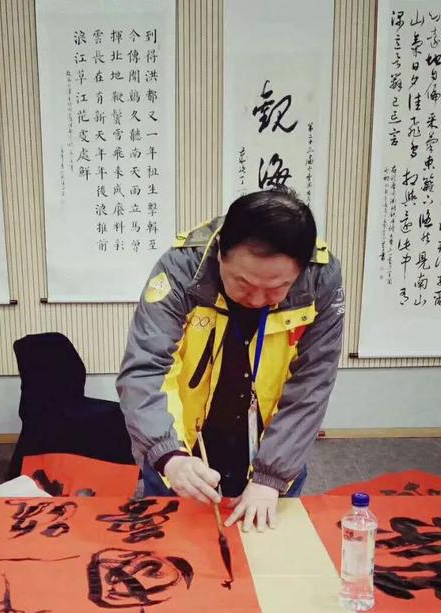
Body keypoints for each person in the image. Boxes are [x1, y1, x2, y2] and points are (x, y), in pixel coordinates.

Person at [116, 188, 344, 532]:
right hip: (182, 450)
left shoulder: (320, 278)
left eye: (276, 288)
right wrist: (167, 454)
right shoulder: (182, 270)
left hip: (272, 449)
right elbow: (145, 368)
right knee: (172, 548)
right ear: (220, 251)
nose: (257, 299)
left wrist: (271, 477)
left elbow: (312, 382)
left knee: (268, 557)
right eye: (244, 283)